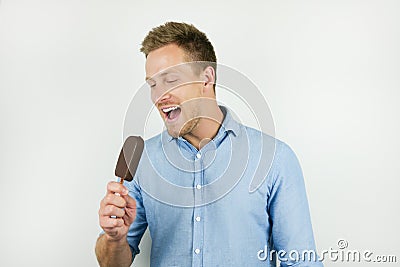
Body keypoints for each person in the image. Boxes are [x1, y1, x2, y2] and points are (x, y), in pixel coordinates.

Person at [95, 22, 323, 267]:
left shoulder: (275, 159)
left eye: (170, 80)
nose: (159, 96)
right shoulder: (143, 161)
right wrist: (114, 238)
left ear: (206, 78)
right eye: (152, 84)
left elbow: (301, 262)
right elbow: (113, 263)